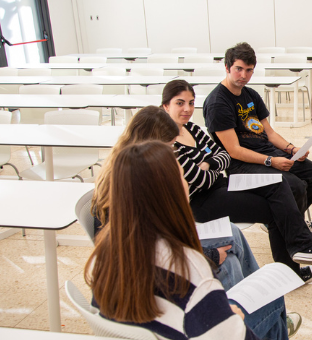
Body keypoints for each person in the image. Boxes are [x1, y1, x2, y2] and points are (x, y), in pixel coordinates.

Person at [86, 141, 297, 340]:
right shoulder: (186, 264)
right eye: (181, 176)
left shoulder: (103, 251)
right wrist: (232, 318)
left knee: (268, 321)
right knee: (271, 298)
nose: (187, 182)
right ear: (169, 191)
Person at [91, 107, 287, 301]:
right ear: (151, 144)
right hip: (147, 262)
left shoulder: (129, 167)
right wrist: (208, 255)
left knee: (232, 232)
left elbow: (165, 233)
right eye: (169, 147)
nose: (171, 153)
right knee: (229, 262)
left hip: (155, 248)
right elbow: (153, 248)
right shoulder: (134, 183)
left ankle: (256, 299)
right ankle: (249, 306)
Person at [161, 79, 312, 280]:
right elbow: (199, 180)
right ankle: (294, 265)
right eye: (180, 103)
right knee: (276, 209)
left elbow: (223, 157)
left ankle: (300, 248)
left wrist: (208, 164)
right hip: (201, 201)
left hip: (221, 185)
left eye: (191, 103)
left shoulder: (192, 129)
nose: (187, 109)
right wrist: (212, 165)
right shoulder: (167, 141)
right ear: (166, 106)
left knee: (278, 184)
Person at [203, 42, 312, 266]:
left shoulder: (250, 94)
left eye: (249, 70)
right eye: (239, 69)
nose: (244, 76)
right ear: (227, 67)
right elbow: (234, 151)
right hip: (242, 165)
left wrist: (291, 149)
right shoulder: (218, 102)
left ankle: (286, 220)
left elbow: (269, 132)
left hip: (268, 153)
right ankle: (296, 245)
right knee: (294, 186)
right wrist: (271, 161)